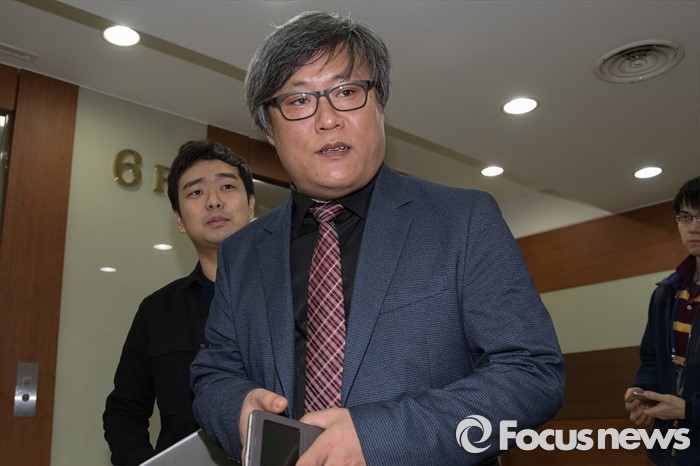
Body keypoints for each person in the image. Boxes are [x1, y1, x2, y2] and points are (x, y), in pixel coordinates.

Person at [191, 11, 564, 465]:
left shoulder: (463, 220)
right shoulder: (242, 252)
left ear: (379, 104)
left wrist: (379, 437)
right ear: (269, 129)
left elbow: (532, 374)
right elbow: (213, 373)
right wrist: (238, 409)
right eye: (299, 100)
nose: (328, 119)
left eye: (347, 92)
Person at [103, 140, 255, 465]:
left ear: (251, 206)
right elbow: (124, 410)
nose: (213, 201)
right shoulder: (156, 311)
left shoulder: (296, 296)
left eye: (227, 186)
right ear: (180, 220)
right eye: (196, 192)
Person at [625, 176, 700, 465]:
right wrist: (644, 393)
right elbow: (652, 360)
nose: (693, 227)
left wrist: (689, 409)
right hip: (668, 451)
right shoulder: (666, 293)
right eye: (686, 217)